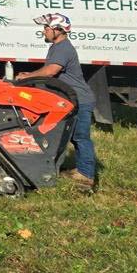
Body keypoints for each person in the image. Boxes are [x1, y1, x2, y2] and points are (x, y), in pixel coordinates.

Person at [17, 12, 97, 190]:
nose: (43, 31)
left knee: (80, 137)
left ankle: (86, 175)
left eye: (47, 28)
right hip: (70, 99)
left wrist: (27, 77)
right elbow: (48, 69)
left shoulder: (63, 48)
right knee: (67, 136)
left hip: (80, 100)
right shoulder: (57, 47)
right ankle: (75, 169)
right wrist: (30, 75)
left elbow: (50, 71)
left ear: (59, 30)